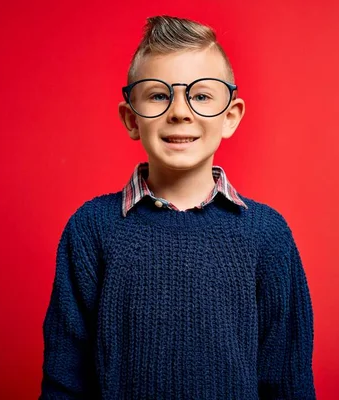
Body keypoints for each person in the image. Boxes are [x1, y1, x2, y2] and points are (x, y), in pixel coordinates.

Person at [39, 15, 315, 400]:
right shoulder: (91, 230)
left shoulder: (267, 235)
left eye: (201, 95)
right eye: (158, 95)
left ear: (230, 116)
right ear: (131, 118)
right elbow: (65, 382)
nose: (180, 111)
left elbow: (288, 381)